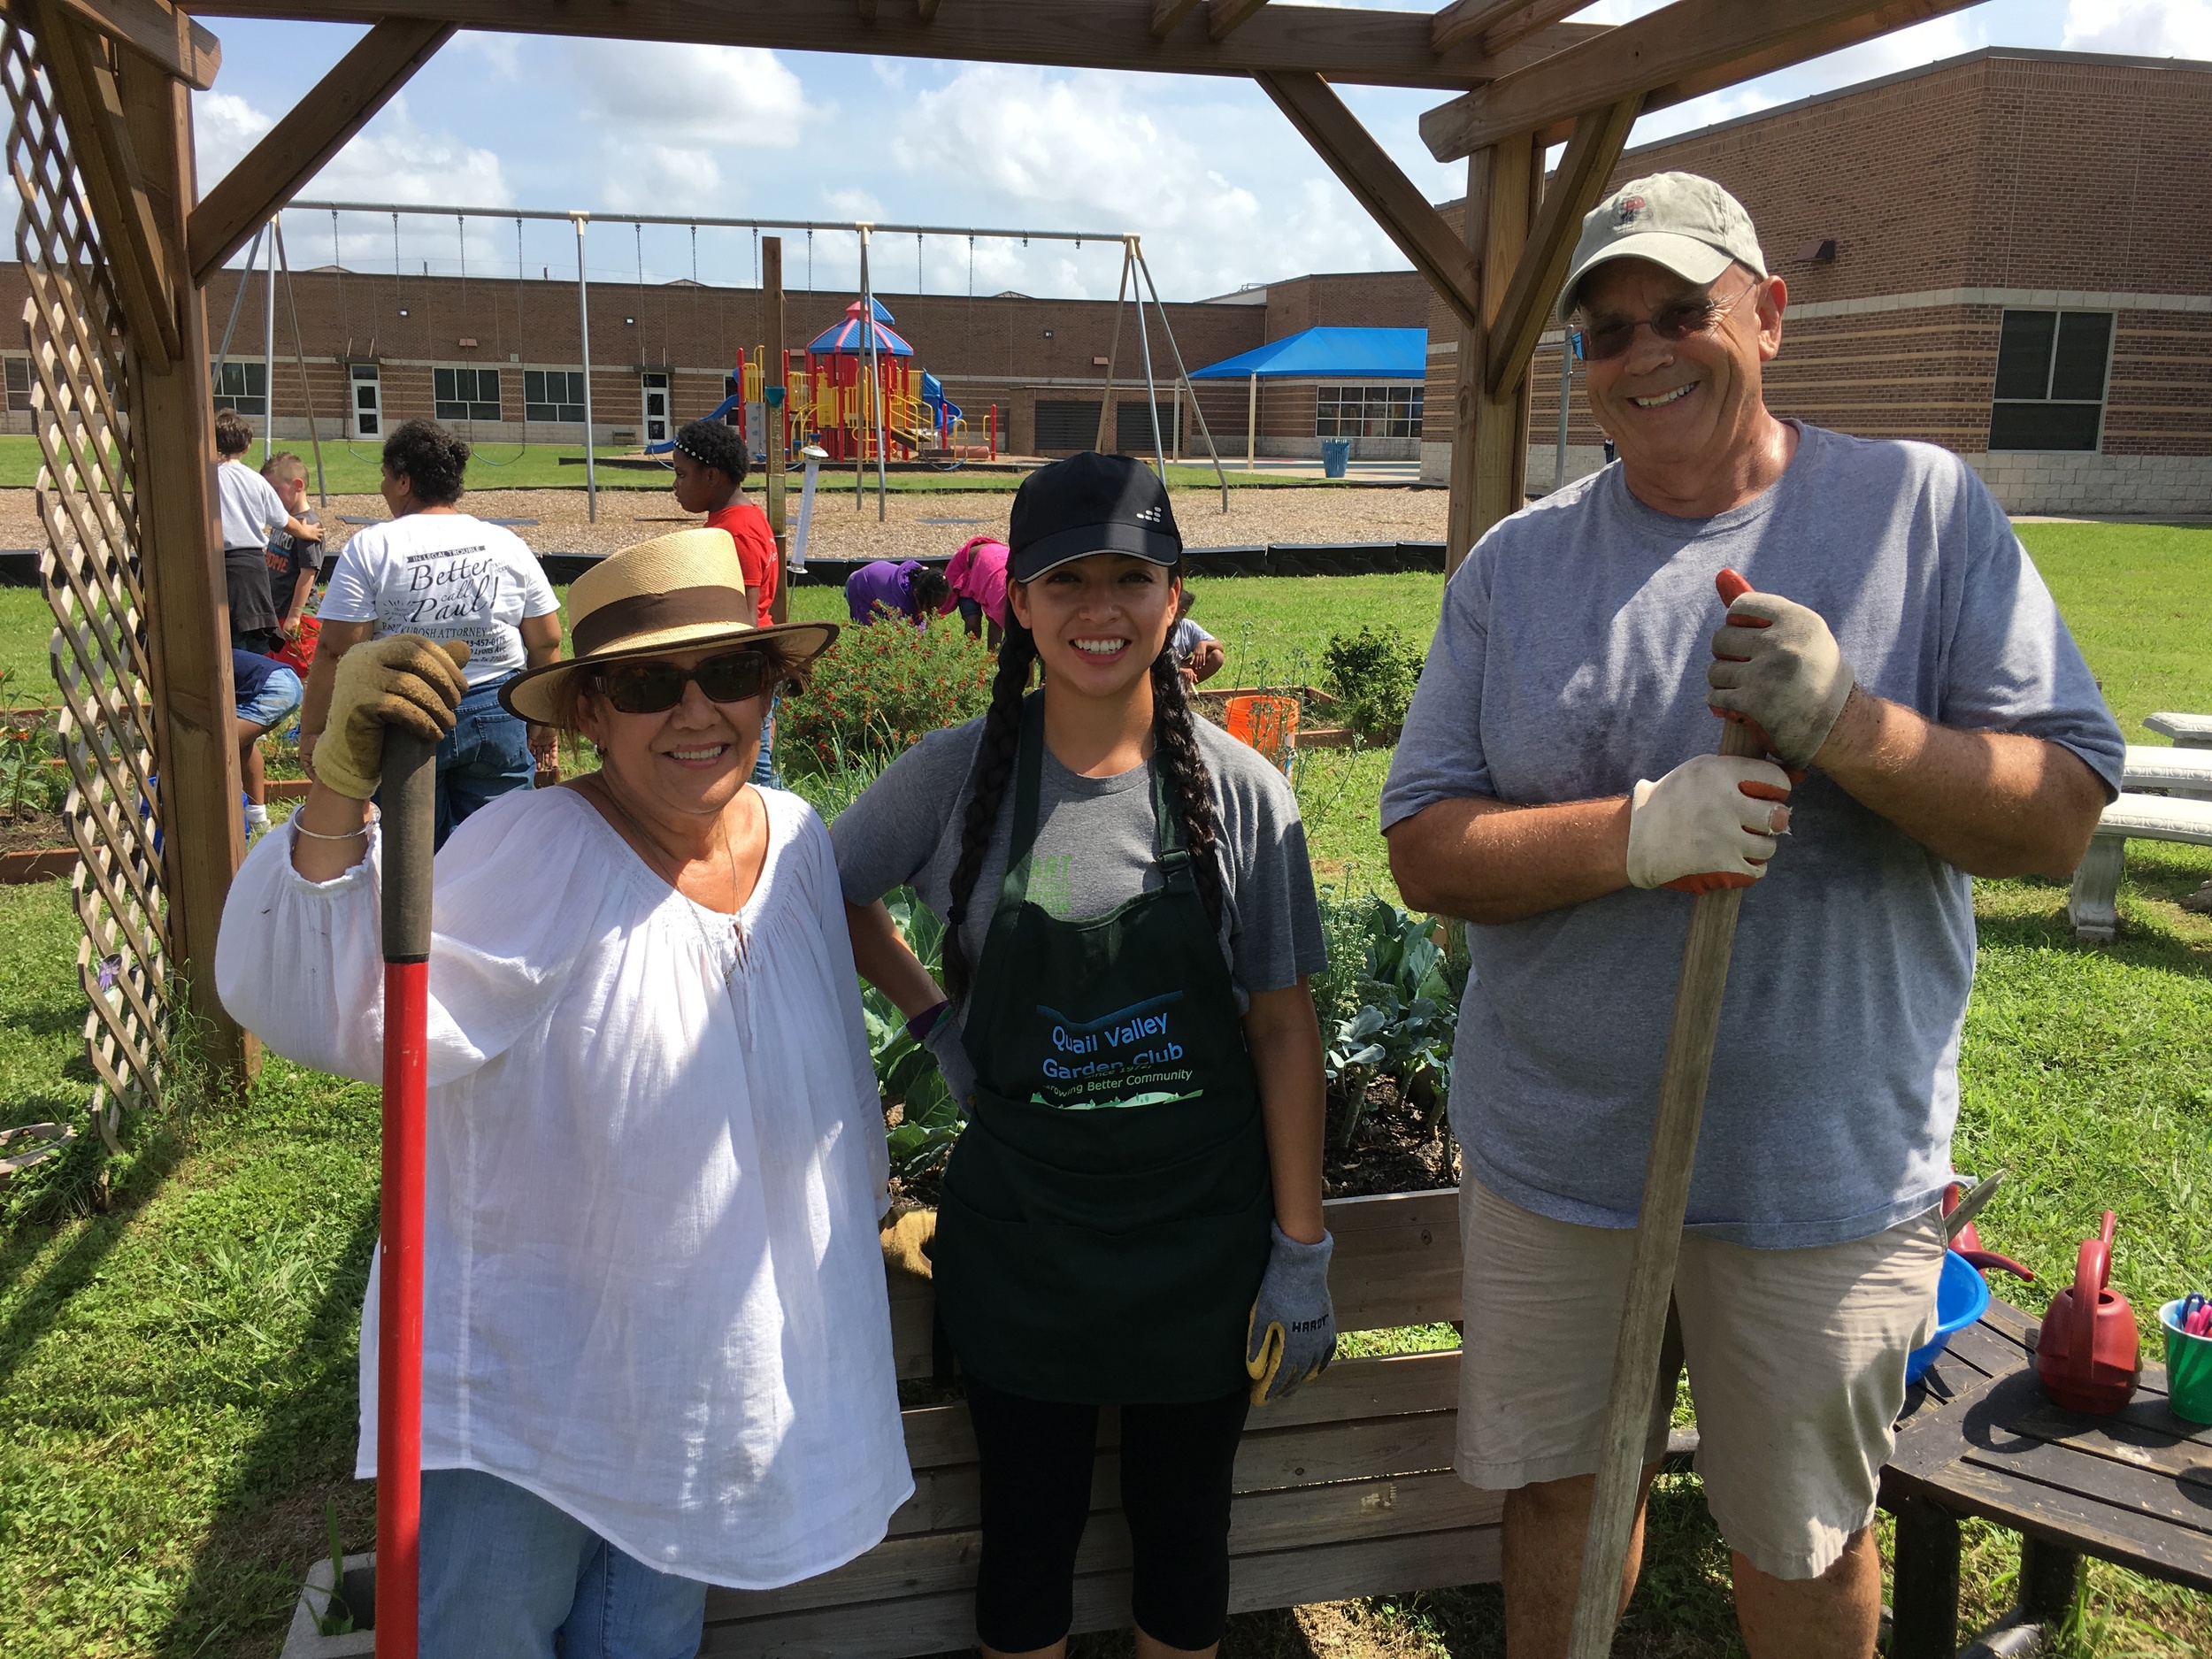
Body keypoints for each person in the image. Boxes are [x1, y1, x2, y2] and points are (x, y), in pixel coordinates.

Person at [1380, 172, 2124, 1659]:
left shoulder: (1921, 511)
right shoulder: (1518, 569)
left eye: (1681, 312)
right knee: (1559, 1508)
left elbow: (2056, 815)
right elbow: (1426, 847)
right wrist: (1632, 834)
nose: (1643, 352)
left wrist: (1851, 723)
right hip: (1557, 1160)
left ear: (1768, 316)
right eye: (1606, 331)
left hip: (1820, 1178)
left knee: (1797, 1535)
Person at [213, 530, 910, 1656]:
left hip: (695, 1378)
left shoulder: (791, 838)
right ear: (587, 712)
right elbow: (319, 998)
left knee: (642, 1640)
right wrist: (336, 791)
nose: (698, 715)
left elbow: (816, 1059)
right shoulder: (532, 848)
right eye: (647, 686)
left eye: (731, 674)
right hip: (535, 1389)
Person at [833, 452, 1335, 1659]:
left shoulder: (1245, 793)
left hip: (1200, 1242)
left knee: (1184, 1538)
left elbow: (1282, 1025)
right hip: (1023, 1242)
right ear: (1020, 600)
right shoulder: (955, 774)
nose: (1099, 610)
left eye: (1131, 577)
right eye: (1067, 580)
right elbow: (828, 893)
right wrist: (930, 1015)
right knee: (1027, 1538)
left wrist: (1300, 1248)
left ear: (1175, 595)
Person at [300, 419, 563, 849]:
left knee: (411, 859)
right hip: (498, 711)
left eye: (385, 477)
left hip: (406, 710)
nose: (383, 488)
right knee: (498, 852)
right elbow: (547, 640)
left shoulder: (372, 546)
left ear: (404, 480)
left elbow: (335, 650)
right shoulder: (505, 543)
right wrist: (545, 722)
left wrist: (314, 731)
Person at [671, 418, 784, 785]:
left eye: (681, 474)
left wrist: (738, 688)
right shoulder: (748, 516)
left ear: (711, 476)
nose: (675, 486)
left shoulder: (733, 531)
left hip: (741, 669)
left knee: (754, 774)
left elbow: (744, 618)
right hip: (749, 667)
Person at [215, 410, 321, 656]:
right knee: (252, 639)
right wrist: (304, 531)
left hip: (216, 561)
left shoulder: (205, 476)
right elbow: (284, 520)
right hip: (250, 567)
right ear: (247, 446)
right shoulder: (255, 480)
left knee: (222, 635)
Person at [232, 646, 303, 841]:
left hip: (271, 687)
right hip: (286, 679)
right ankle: (258, 820)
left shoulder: (180, 663)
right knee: (243, 746)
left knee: (217, 750)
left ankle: (227, 823)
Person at [261, 451, 324, 641]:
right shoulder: (283, 521)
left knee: (298, 665)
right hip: (277, 609)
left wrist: (295, 616)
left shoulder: (310, 526)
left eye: (275, 491)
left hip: (298, 615)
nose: (271, 499)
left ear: (298, 485)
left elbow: (308, 573)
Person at [843, 558, 952, 628]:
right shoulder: (899, 603)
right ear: (916, 593)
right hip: (859, 588)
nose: (935, 610)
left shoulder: (919, 579)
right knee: (869, 632)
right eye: (931, 606)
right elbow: (907, 635)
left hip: (875, 579)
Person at [945, 533, 1010, 649]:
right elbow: (995, 639)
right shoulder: (1002, 598)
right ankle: (969, 658)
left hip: (992, 563)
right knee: (973, 627)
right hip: (967, 566)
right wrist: (991, 663)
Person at [1169, 588, 1225, 687]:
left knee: (1217, 656)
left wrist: (1204, 644)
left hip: (1178, 666)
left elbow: (1219, 646)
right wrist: (1180, 671)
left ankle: (1181, 689)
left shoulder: (1187, 626)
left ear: (1182, 613)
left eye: (1172, 606)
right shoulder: (1155, 626)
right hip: (1156, 670)